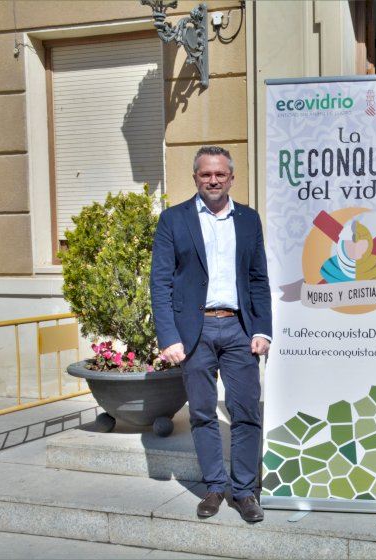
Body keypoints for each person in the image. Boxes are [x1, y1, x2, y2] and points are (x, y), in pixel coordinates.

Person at [150, 145, 272, 523]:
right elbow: (160, 282)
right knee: (202, 413)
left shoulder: (248, 219)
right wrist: (169, 337)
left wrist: (262, 329)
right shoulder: (173, 219)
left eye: (220, 174)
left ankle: (245, 491)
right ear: (196, 178)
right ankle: (215, 486)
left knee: (246, 410)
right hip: (194, 331)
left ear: (232, 178)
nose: (213, 180)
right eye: (206, 174)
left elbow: (258, 279)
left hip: (238, 328)